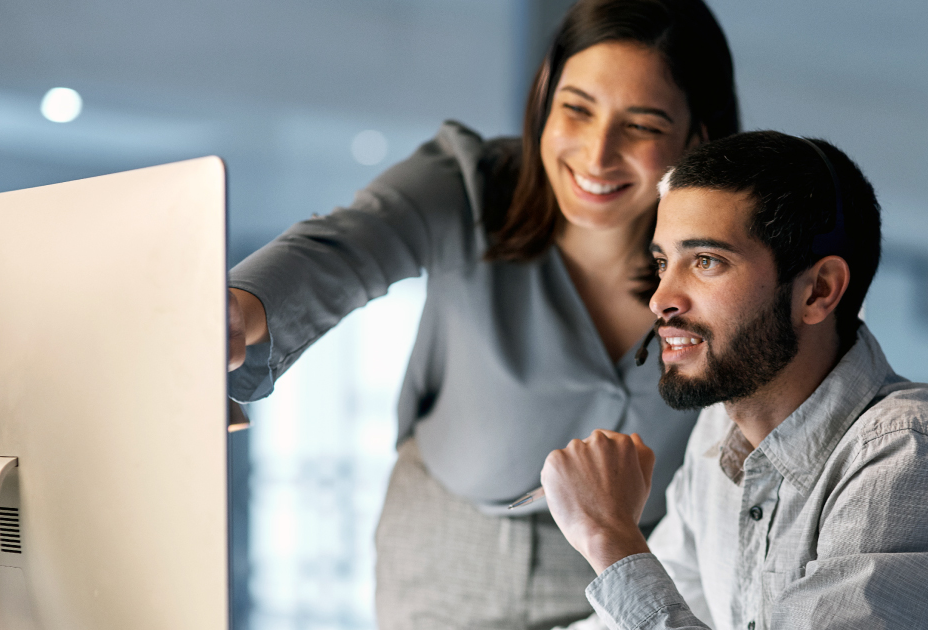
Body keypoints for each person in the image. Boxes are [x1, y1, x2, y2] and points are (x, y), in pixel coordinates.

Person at [224, 1, 740, 627]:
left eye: (641, 125)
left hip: (630, 555)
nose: (597, 153)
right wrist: (239, 308)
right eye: (576, 109)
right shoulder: (467, 185)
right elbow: (343, 248)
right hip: (447, 550)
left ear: (698, 136)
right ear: (544, 99)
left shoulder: (730, 262)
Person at [541, 131, 928, 629]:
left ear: (818, 291)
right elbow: (656, 603)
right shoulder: (719, 433)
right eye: (663, 263)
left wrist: (610, 539)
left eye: (706, 261)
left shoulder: (913, 456)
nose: (660, 299)